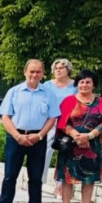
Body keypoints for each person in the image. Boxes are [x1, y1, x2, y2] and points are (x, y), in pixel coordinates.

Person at [0, 59, 60, 203]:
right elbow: (5, 117)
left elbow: (52, 118)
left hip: (38, 138)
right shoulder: (14, 91)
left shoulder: (48, 94)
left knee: (36, 176)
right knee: (10, 175)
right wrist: (17, 136)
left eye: (38, 72)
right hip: (15, 137)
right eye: (31, 71)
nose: (34, 75)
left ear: (43, 74)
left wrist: (39, 136)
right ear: (25, 72)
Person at [54, 69, 102, 203]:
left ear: (93, 85)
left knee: (89, 179)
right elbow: (62, 123)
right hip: (70, 144)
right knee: (67, 178)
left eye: (88, 82)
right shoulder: (68, 101)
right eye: (81, 82)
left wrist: (89, 135)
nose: (84, 85)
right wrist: (76, 135)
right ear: (77, 84)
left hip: (92, 146)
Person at [41, 58, 77, 193]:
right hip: (50, 120)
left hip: (68, 122)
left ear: (68, 70)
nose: (58, 70)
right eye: (56, 68)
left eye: (61, 68)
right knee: (45, 150)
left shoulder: (75, 86)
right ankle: (39, 181)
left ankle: (60, 184)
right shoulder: (47, 85)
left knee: (65, 152)